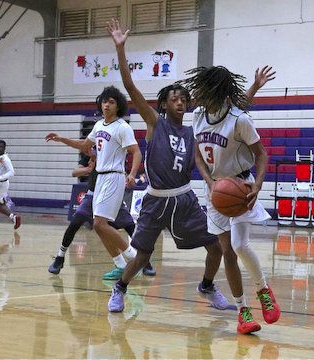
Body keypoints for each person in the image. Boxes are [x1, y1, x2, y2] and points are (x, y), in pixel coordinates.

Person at [105, 18, 232, 320]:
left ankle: (207, 286)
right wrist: (121, 50)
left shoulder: (192, 133)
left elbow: (201, 165)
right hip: (156, 199)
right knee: (142, 257)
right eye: (174, 99)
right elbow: (129, 86)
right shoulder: (154, 122)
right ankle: (120, 288)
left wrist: (214, 186)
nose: (180, 102)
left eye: (183, 99)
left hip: (185, 200)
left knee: (216, 248)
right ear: (164, 105)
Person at [178, 64, 280, 333]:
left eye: (202, 89)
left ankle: (264, 291)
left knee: (239, 245)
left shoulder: (240, 120)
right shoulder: (198, 116)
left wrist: (257, 185)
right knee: (227, 252)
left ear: (217, 92)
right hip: (215, 192)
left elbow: (262, 155)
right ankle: (243, 312)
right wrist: (210, 183)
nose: (196, 93)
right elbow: (198, 156)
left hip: (240, 187)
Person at [45, 85, 143, 280]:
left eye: (111, 102)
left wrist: (132, 174)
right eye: (104, 101)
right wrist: (62, 139)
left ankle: (135, 259)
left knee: (100, 224)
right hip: (100, 179)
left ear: (118, 106)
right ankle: (121, 265)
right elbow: (84, 145)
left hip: (114, 176)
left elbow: (137, 152)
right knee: (99, 226)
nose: (106, 105)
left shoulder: (123, 127)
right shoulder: (98, 126)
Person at [48, 148, 155, 276]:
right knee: (75, 222)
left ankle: (144, 262)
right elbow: (75, 172)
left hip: (112, 193)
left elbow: (124, 172)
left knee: (130, 227)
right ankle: (60, 258)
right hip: (93, 195)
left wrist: (129, 177)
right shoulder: (91, 151)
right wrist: (87, 170)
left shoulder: (116, 151)